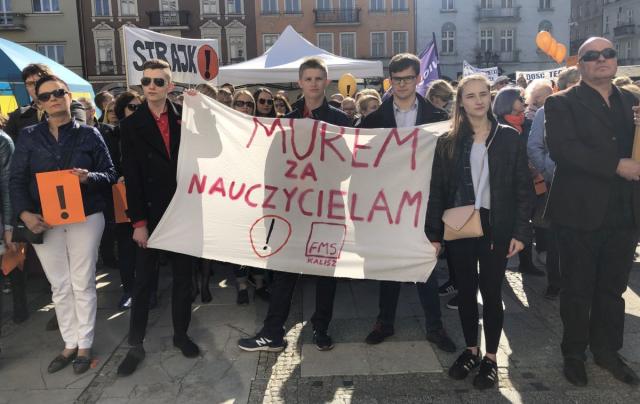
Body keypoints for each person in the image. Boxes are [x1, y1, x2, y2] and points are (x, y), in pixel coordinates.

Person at [425, 74, 532, 389]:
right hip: (459, 223)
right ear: (460, 102)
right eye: (470, 96)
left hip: (496, 224)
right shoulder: (448, 141)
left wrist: (521, 232)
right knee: (465, 291)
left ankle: (490, 358)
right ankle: (470, 350)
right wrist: (434, 234)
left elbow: (523, 187)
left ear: (490, 96)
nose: (478, 100)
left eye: (483, 94)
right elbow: (438, 190)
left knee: (492, 291)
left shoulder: (508, 137)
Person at [238, 57, 351, 353]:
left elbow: (349, 167)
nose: (313, 84)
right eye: (308, 79)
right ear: (300, 82)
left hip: (327, 207)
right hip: (291, 208)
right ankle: (272, 332)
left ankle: (321, 328)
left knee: (326, 273)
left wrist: (322, 168)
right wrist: (269, 207)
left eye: (318, 78)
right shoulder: (286, 121)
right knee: (285, 271)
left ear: (327, 82)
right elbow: (273, 166)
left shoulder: (340, 120)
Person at [545, 37, 640, 387]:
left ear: (616, 60)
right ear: (580, 64)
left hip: (625, 213)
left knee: (612, 290)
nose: (602, 59)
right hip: (579, 213)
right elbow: (563, 150)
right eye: (592, 56)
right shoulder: (561, 102)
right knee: (577, 290)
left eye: (608, 54)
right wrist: (616, 165)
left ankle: (607, 351)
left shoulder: (632, 101)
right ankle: (573, 354)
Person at [10, 74, 116, 374]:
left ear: (69, 95)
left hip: (86, 215)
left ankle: (84, 344)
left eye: (58, 92)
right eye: (45, 96)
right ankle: (69, 343)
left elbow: (110, 174)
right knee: (60, 284)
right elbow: (16, 179)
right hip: (44, 219)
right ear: (38, 102)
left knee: (83, 281)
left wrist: (88, 177)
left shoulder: (89, 134)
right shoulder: (29, 136)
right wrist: (24, 214)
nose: (53, 99)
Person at [357, 53, 455, 352]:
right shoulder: (373, 120)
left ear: (418, 78)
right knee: (390, 268)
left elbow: (445, 167)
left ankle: (435, 327)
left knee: (426, 267)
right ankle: (384, 322)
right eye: (397, 79)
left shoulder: (438, 119)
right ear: (390, 81)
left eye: (408, 78)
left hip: (425, 204)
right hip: (388, 205)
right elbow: (363, 165)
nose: (402, 84)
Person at [117, 59, 199, 376]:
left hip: (182, 211)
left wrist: (203, 109)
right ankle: (135, 343)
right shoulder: (131, 125)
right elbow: (132, 176)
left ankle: (181, 334)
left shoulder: (186, 117)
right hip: (150, 213)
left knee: (183, 280)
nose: (151, 86)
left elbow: (212, 151)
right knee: (142, 283)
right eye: (146, 81)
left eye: (158, 81)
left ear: (170, 86)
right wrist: (138, 223)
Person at [4, 63, 86, 333]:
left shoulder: (72, 108)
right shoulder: (20, 118)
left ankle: (78, 322)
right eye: (30, 84)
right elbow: (16, 168)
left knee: (78, 270)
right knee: (53, 271)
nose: (37, 88)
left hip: (72, 201)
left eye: (39, 80)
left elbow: (77, 137)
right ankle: (63, 316)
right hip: (37, 203)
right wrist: (23, 211)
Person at [527, 67, 581, 300]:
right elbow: (534, 146)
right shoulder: (546, 111)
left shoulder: (594, 109)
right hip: (556, 183)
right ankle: (555, 282)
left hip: (589, 183)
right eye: (574, 86)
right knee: (556, 235)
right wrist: (549, 170)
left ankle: (580, 281)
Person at [493, 87, 545, 277]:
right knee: (506, 226)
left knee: (527, 222)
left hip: (532, 182)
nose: (523, 101)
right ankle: (498, 268)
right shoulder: (496, 126)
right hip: (506, 185)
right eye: (519, 98)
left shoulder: (529, 123)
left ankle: (526, 263)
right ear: (507, 102)